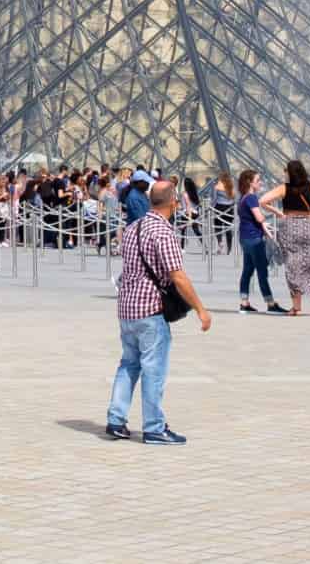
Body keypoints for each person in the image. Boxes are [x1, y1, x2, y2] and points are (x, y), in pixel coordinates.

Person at [106, 179, 212, 444]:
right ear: (174, 203)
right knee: (154, 369)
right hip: (151, 310)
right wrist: (200, 309)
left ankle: (116, 420)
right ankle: (154, 427)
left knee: (128, 364)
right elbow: (177, 276)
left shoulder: (132, 228)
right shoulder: (163, 232)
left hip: (127, 308)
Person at [259, 160, 310, 316]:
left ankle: (297, 308)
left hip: (289, 227)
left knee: (293, 266)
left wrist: (278, 212)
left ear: (289, 172)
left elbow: (263, 201)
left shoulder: (283, 188)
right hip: (308, 226)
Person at [236, 170, 280, 313]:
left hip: (244, 237)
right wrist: (265, 224)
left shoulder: (242, 198)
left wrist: (265, 229)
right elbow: (259, 218)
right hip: (254, 239)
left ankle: (244, 302)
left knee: (247, 270)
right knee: (262, 271)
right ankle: (270, 303)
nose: (260, 182)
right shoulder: (251, 198)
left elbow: (251, 219)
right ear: (250, 182)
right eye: (258, 180)